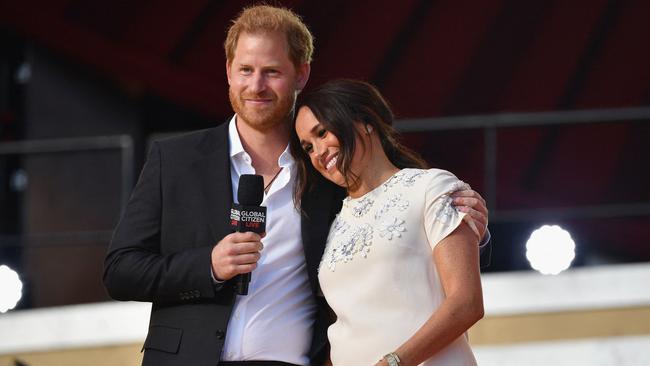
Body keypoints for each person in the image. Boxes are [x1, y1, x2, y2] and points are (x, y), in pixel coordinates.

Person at [103, 5, 489, 366]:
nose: (256, 85)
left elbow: (394, 216)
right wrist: (208, 266)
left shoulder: (328, 168)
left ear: (301, 74)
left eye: (271, 71)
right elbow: (120, 270)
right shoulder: (175, 159)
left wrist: (470, 227)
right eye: (246, 70)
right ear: (228, 71)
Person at [292, 79, 484, 366]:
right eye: (308, 147)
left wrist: (393, 362)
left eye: (323, 133)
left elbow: (467, 303)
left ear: (366, 121)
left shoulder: (431, 187)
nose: (318, 152)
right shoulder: (332, 224)